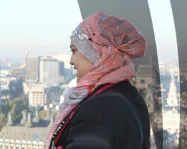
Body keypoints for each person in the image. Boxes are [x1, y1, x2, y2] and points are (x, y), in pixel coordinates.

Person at [44, 12, 150, 149]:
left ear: (97, 52)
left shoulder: (98, 108)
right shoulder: (128, 94)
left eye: (74, 51)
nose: (71, 61)